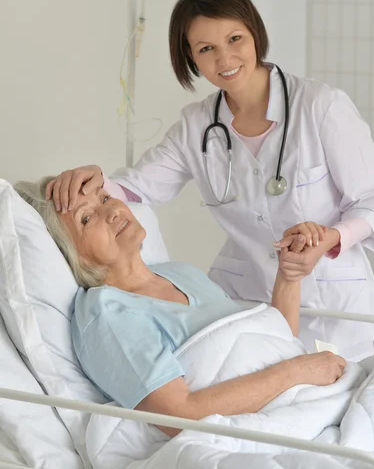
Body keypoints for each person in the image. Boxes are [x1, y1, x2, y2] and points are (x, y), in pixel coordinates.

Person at [46, 0, 374, 362]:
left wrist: (330, 238)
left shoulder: (321, 106)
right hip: (247, 304)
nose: (225, 58)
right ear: (191, 58)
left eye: (235, 39)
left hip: (333, 307)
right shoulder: (197, 127)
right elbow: (138, 188)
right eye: (206, 49)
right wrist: (93, 180)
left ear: (255, 34)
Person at [16, 177, 346, 437]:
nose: (112, 211)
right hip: (266, 430)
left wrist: (289, 275)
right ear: (69, 252)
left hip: (305, 400)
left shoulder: (180, 273)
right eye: (87, 218)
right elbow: (180, 416)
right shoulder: (105, 312)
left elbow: (276, 344)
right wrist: (298, 371)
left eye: (104, 198)